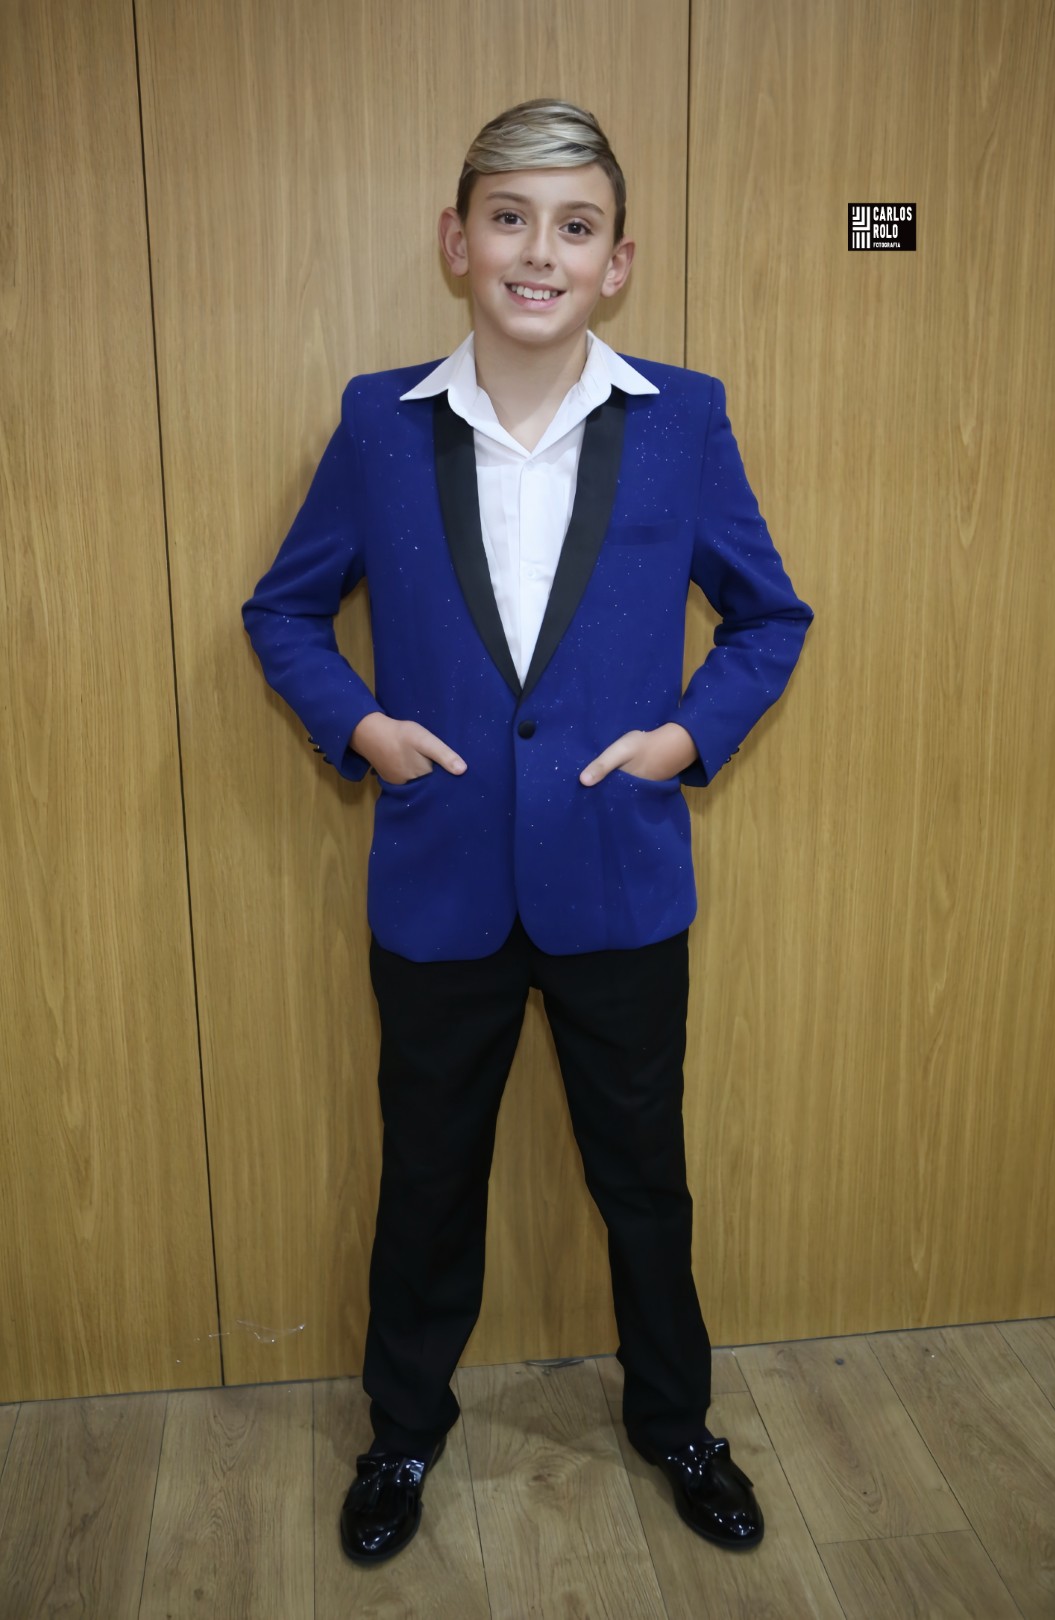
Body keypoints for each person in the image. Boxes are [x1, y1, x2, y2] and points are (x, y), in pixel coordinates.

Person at [241, 97, 813, 1566]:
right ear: (458, 242)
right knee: (427, 1178)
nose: (538, 252)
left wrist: (683, 740)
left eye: (575, 227)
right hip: (439, 883)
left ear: (617, 262)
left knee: (645, 1181)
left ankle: (677, 1422)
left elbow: (769, 617)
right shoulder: (379, 423)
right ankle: (402, 1432)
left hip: (619, 878)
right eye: (510, 219)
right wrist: (364, 729)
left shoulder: (682, 417)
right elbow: (284, 610)